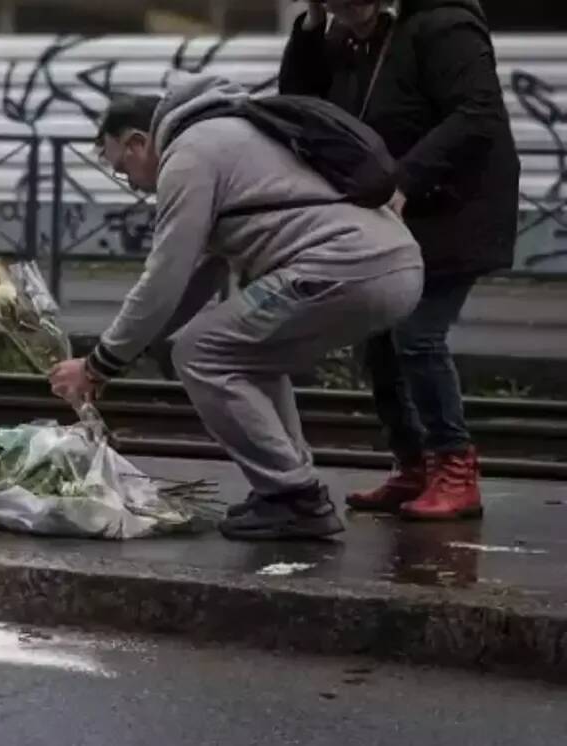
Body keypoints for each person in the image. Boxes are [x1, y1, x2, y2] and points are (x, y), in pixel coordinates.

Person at [49, 76, 424, 541]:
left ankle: (293, 495)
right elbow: (192, 281)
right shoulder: (231, 134)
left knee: (200, 351)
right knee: (246, 351)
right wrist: (109, 363)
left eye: (120, 166)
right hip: (393, 264)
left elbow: (164, 276)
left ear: (137, 141)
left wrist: (97, 364)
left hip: (342, 266)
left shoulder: (189, 155)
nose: (128, 181)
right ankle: (287, 484)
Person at [279, 0, 520, 521]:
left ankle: (456, 471)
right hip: (393, 216)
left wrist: (406, 180)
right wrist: (312, 26)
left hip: (455, 210)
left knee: (417, 335)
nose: (346, 15)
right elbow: (300, 105)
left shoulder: (444, 24)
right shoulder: (346, 36)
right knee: (381, 340)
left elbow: (478, 114)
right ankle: (414, 466)